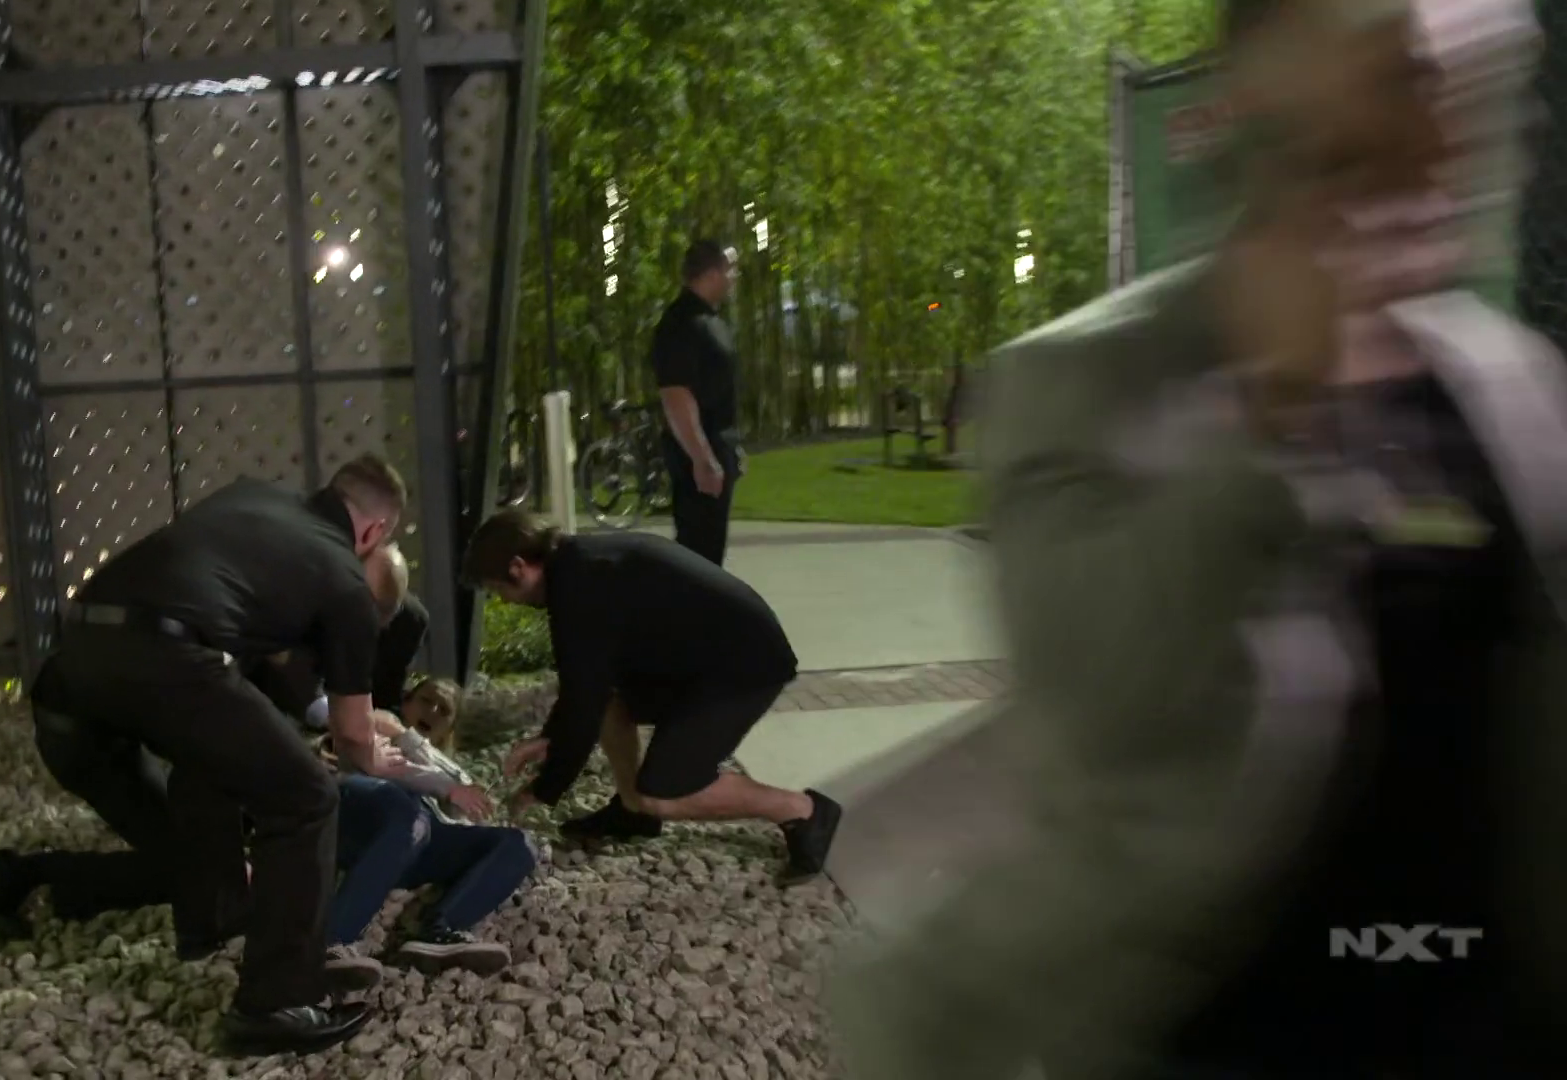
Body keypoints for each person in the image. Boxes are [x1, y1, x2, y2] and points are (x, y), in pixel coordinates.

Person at [830, 2, 1567, 1078]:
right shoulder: (1088, 382)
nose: (1452, 102)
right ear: (1268, 91)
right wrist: (1270, 416)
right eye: (1402, 69)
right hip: (1210, 1035)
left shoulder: (1506, 383)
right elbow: (1101, 702)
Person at [0, 456, 412, 1058]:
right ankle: (276, 1004)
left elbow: (242, 692)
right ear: (374, 532)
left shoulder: (251, 497)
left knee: (196, 845)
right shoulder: (344, 578)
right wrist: (379, 761)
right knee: (307, 799)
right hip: (166, 659)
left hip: (73, 670)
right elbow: (354, 733)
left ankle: (199, 915)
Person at [463, 508, 842, 885]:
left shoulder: (581, 585)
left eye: (499, 590)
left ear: (518, 567)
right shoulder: (579, 566)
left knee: (663, 792)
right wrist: (549, 739)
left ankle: (803, 811)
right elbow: (585, 685)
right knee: (610, 704)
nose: (506, 601)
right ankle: (634, 812)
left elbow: (584, 703)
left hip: (745, 668)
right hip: (704, 661)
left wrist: (542, 790)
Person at [309, 676, 536, 975]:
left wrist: (413, 745)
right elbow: (375, 759)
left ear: (451, 728)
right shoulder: (380, 721)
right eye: (426, 700)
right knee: (410, 815)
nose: (433, 712)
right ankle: (330, 941)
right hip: (358, 817)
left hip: (413, 842)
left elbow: (460, 790)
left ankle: (440, 929)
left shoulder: (442, 765)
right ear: (406, 702)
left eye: (445, 710)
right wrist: (403, 737)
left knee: (517, 844)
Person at [652, 239, 745, 565]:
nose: (735, 276)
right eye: (731, 269)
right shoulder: (681, 324)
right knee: (697, 554)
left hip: (717, 447)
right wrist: (702, 458)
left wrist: (731, 449)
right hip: (697, 458)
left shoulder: (711, 321)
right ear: (713, 272)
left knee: (711, 551)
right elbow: (675, 395)